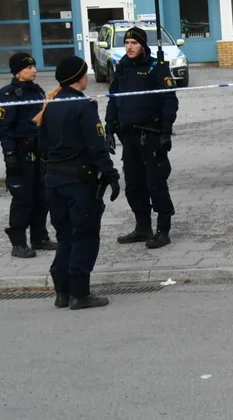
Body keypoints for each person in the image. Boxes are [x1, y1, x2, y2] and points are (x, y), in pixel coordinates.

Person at [35, 56, 122, 310]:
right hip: (79, 182)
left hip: (54, 181)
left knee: (65, 236)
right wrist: (111, 174)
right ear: (79, 78)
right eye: (85, 73)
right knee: (84, 235)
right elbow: (96, 146)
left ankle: (62, 292)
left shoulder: (49, 105)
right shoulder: (84, 106)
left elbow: (42, 144)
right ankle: (80, 294)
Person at [104, 25, 179, 249]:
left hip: (152, 135)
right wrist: (109, 128)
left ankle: (163, 230)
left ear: (143, 45)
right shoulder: (122, 67)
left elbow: (169, 101)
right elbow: (113, 99)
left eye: (134, 43)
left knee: (155, 183)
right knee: (134, 185)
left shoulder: (157, 68)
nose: (129, 47)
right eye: (127, 43)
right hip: (129, 137)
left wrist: (166, 131)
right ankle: (143, 227)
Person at [0, 52, 55, 258]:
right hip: (20, 152)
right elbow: (2, 128)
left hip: (39, 152)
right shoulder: (7, 95)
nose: (34, 70)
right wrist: (10, 154)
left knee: (42, 196)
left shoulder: (37, 92)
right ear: (17, 72)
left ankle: (39, 237)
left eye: (34, 67)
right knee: (23, 198)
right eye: (29, 68)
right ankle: (18, 243)